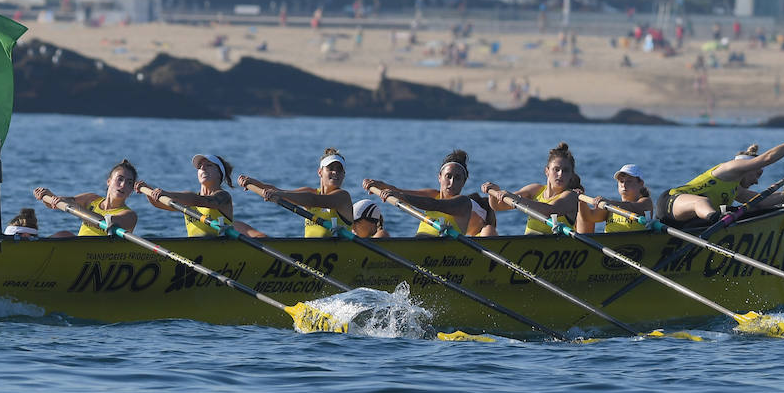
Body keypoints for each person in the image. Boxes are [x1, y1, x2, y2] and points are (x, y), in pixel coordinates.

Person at [656, 124, 784, 225]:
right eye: (757, 174)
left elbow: (762, 201)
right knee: (702, 202)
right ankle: (716, 218)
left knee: (751, 209)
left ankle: (715, 218)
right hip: (672, 202)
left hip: (685, 222)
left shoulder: (736, 189)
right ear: (747, 167)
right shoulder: (731, 168)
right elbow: (768, 158)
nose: (757, 181)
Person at [363, 149, 495, 237]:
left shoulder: (463, 203)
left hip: (440, 256)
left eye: (458, 178)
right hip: (419, 246)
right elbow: (400, 191)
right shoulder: (432, 193)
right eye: (448, 176)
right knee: (382, 235)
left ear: (464, 182)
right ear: (439, 177)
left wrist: (401, 197)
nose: (452, 182)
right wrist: (381, 185)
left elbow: (433, 204)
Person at [239, 148, 354, 238]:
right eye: (330, 168)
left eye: (339, 170)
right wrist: (254, 183)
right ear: (320, 172)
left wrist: (281, 195)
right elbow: (276, 190)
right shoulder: (310, 192)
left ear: (344, 174)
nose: (335, 172)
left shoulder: (343, 197)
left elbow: (314, 200)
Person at [481, 142, 582, 235]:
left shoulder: (571, 196)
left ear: (571, 175)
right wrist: (493, 193)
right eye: (556, 169)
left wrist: (516, 198)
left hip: (556, 252)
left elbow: (550, 210)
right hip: (529, 250)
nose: (560, 174)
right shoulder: (534, 190)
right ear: (547, 171)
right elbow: (499, 206)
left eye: (566, 171)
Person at [138, 152, 237, 237]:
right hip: (195, 247)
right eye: (200, 166)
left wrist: (166, 193)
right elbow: (158, 204)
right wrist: (149, 192)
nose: (203, 168)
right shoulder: (187, 198)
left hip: (220, 245)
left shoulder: (224, 197)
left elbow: (197, 200)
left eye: (209, 165)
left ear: (219, 173)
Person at [34, 160, 139, 237]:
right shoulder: (91, 199)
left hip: (102, 256)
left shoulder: (129, 215)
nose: (123, 185)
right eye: (119, 179)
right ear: (109, 181)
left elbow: (108, 222)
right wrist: (49, 197)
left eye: (129, 183)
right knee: (63, 235)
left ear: (131, 191)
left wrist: (76, 207)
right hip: (81, 250)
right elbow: (58, 203)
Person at [576, 164, 653, 234]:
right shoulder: (610, 207)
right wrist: (581, 201)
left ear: (641, 184)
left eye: (629, 181)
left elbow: (634, 206)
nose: (624, 185)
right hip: (610, 245)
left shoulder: (646, 202)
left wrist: (609, 202)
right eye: (621, 181)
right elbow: (589, 217)